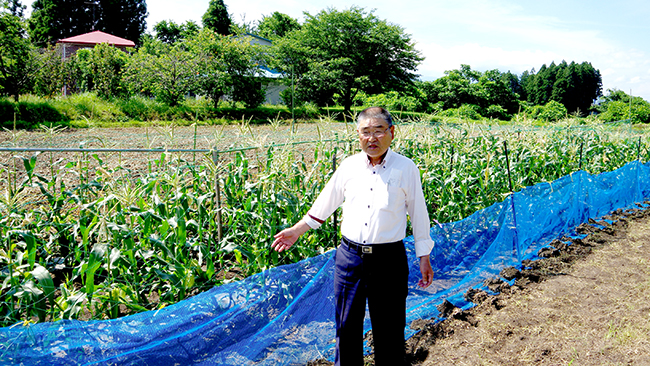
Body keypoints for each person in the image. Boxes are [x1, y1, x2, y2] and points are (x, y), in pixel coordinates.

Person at [271, 106, 434, 366]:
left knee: (390, 330)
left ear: (392, 132)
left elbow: (419, 214)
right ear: (357, 134)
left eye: (378, 131)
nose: (372, 138)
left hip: (389, 259)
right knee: (346, 328)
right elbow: (325, 204)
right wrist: (296, 231)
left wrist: (423, 255)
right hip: (350, 258)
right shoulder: (349, 167)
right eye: (365, 132)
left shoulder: (406, 168)